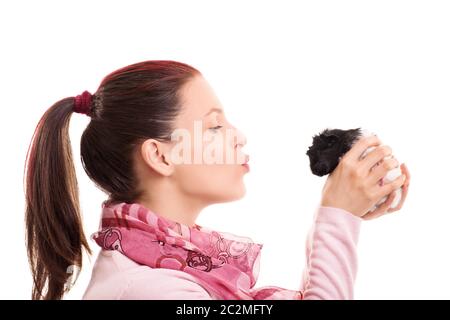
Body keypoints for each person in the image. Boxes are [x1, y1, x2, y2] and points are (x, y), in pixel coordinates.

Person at [24, 60, 410, 300]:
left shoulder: (162, 270)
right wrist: (337, 216)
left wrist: (345, 215)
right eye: (214, 126)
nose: (238, 135)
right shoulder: (152, 290)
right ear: (160, 155)